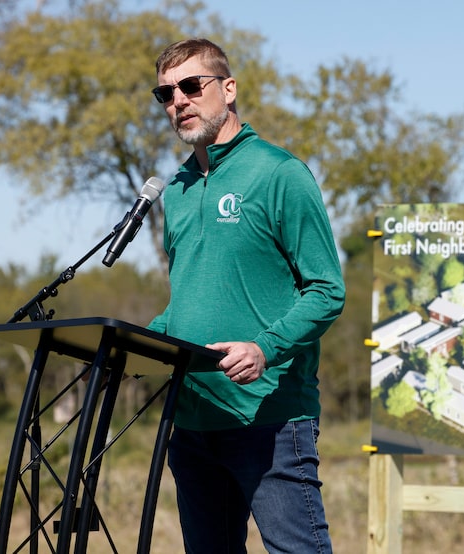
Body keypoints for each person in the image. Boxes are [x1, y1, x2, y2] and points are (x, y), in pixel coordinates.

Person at [147, 38, 345, 553]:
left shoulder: (280, 173)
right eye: (166, 94)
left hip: (269, 419)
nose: (179, 102)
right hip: (191, 420)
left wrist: (264, 348)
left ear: (228, 89)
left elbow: (327, 290)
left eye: (192, 86)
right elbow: (189, 301)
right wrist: (143, 341)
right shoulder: (177, 191)